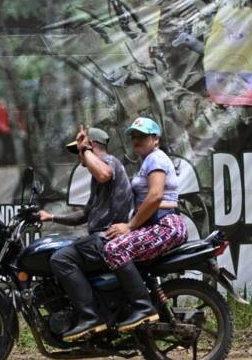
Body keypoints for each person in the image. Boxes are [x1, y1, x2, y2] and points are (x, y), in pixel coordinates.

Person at [38, 126, 133, 341]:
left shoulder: (109, 163)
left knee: (61, 259)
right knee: (63, 250)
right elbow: (85, 215)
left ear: (92, 147)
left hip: (108, 239)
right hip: (100, 238)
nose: (78, 156)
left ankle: (90, 317)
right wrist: (51, 217)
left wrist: (87, 151)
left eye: (80, 151)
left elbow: (104, 174)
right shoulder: (96, 177)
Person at [103, 117, 189, 331]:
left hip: (165, 225)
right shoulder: (148, 161)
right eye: (133, 136)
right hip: (156, 224)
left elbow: (155, 196)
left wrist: (130, 226)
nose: (136, 140)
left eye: (142, 136)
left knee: (114, 249)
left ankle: (143, 308)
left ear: (156, 139)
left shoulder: (155, 159)